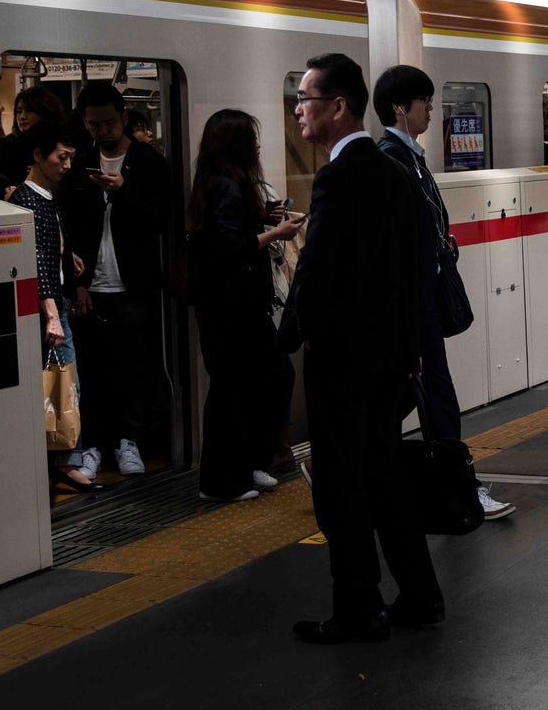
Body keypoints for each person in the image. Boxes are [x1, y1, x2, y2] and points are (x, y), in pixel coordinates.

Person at [287, 52, 440, 644]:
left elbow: (317, 275)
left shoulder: (338, 177)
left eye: (306, 98)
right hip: (391, 360)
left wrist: (293, 335)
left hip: (345, 363)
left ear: (337, 107)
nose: (299, 108)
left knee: (339, 485)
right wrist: (410, 352)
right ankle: (421, 595)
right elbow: (412, 271)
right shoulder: (396, 174)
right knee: (386, 478)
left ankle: (359, 608)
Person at [374, 64, 515, 522]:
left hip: (422, 301)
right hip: (416, 305)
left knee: (404, 397)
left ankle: (350, 467)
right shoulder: (392, 160)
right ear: (401, 107)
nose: (433, 109)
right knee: (437, 397)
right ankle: (462, 488)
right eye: (425, 101)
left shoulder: (409, 156)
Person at [60, 83, 175, 481]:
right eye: (94, 124)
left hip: (134, 283)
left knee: (134, 366)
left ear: (124, 118)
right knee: (92, 370)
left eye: (109, 122)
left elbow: (160, 220)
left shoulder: (149, 162)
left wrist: (124, 193)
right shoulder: (80, 163)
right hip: (89, 283)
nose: (102, 131)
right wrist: (74, 284)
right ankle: (92, 444)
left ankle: (130, 440)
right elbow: (69, 225)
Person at [187, 109, 302, 503]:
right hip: (230, 307)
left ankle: (248, 463)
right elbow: (225, 248)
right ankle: (224, 481)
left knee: (260, 379)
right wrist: (275, 233)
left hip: (232, 306)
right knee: (237, 388)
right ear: (234, 145)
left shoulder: (219, 184)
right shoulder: (227, 187)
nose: (257, 146)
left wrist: (261, 218)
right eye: (250, 139)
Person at [7, 126, 98, 494]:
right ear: (38, 156)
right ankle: (65, 462)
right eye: (61, 156)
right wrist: (52, 314)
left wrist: (68, 255)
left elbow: (49, 251)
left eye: (71, 157)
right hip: (47, 305)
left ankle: (60, 461)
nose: (67, 164)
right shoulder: (30, 200)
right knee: (64, 384)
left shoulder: (40, 196)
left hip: (50, 301)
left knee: (58, 385)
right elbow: (37, 262)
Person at [0, 86, 69, 194]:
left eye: (29, 111)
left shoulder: (60, 144)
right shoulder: (7, 145)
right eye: (19, 111)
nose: (22, 116)